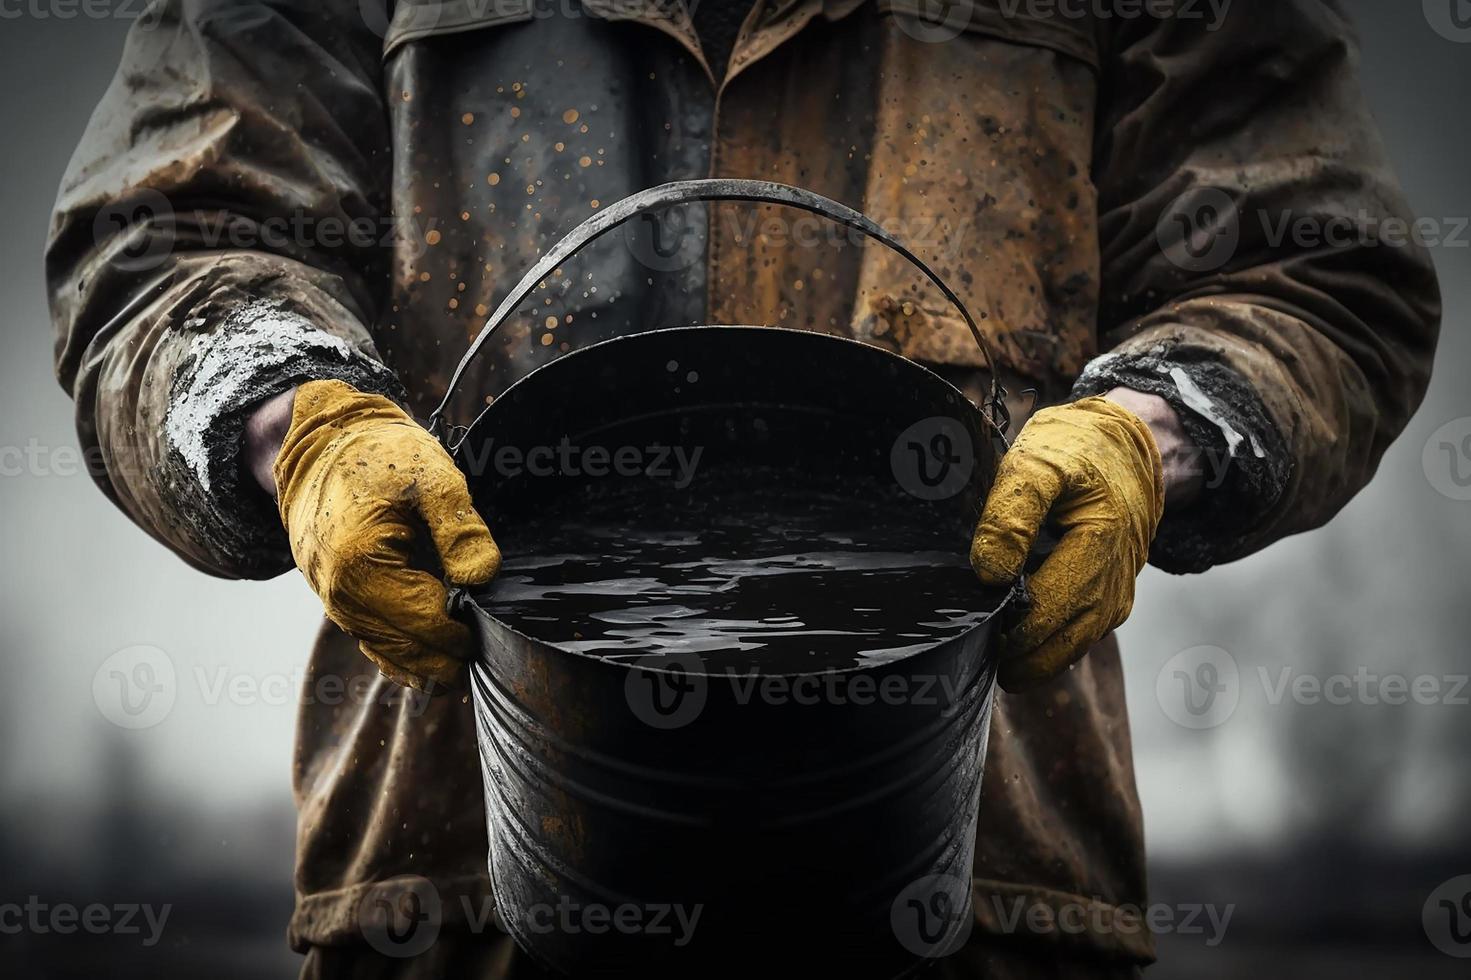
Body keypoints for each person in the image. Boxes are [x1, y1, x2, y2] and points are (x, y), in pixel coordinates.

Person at [48, 1, 1438, 976]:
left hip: (980, 900)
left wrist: (1160, 427)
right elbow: (167, 241)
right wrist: (299, 426)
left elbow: (1313, 266)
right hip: (456, 904)